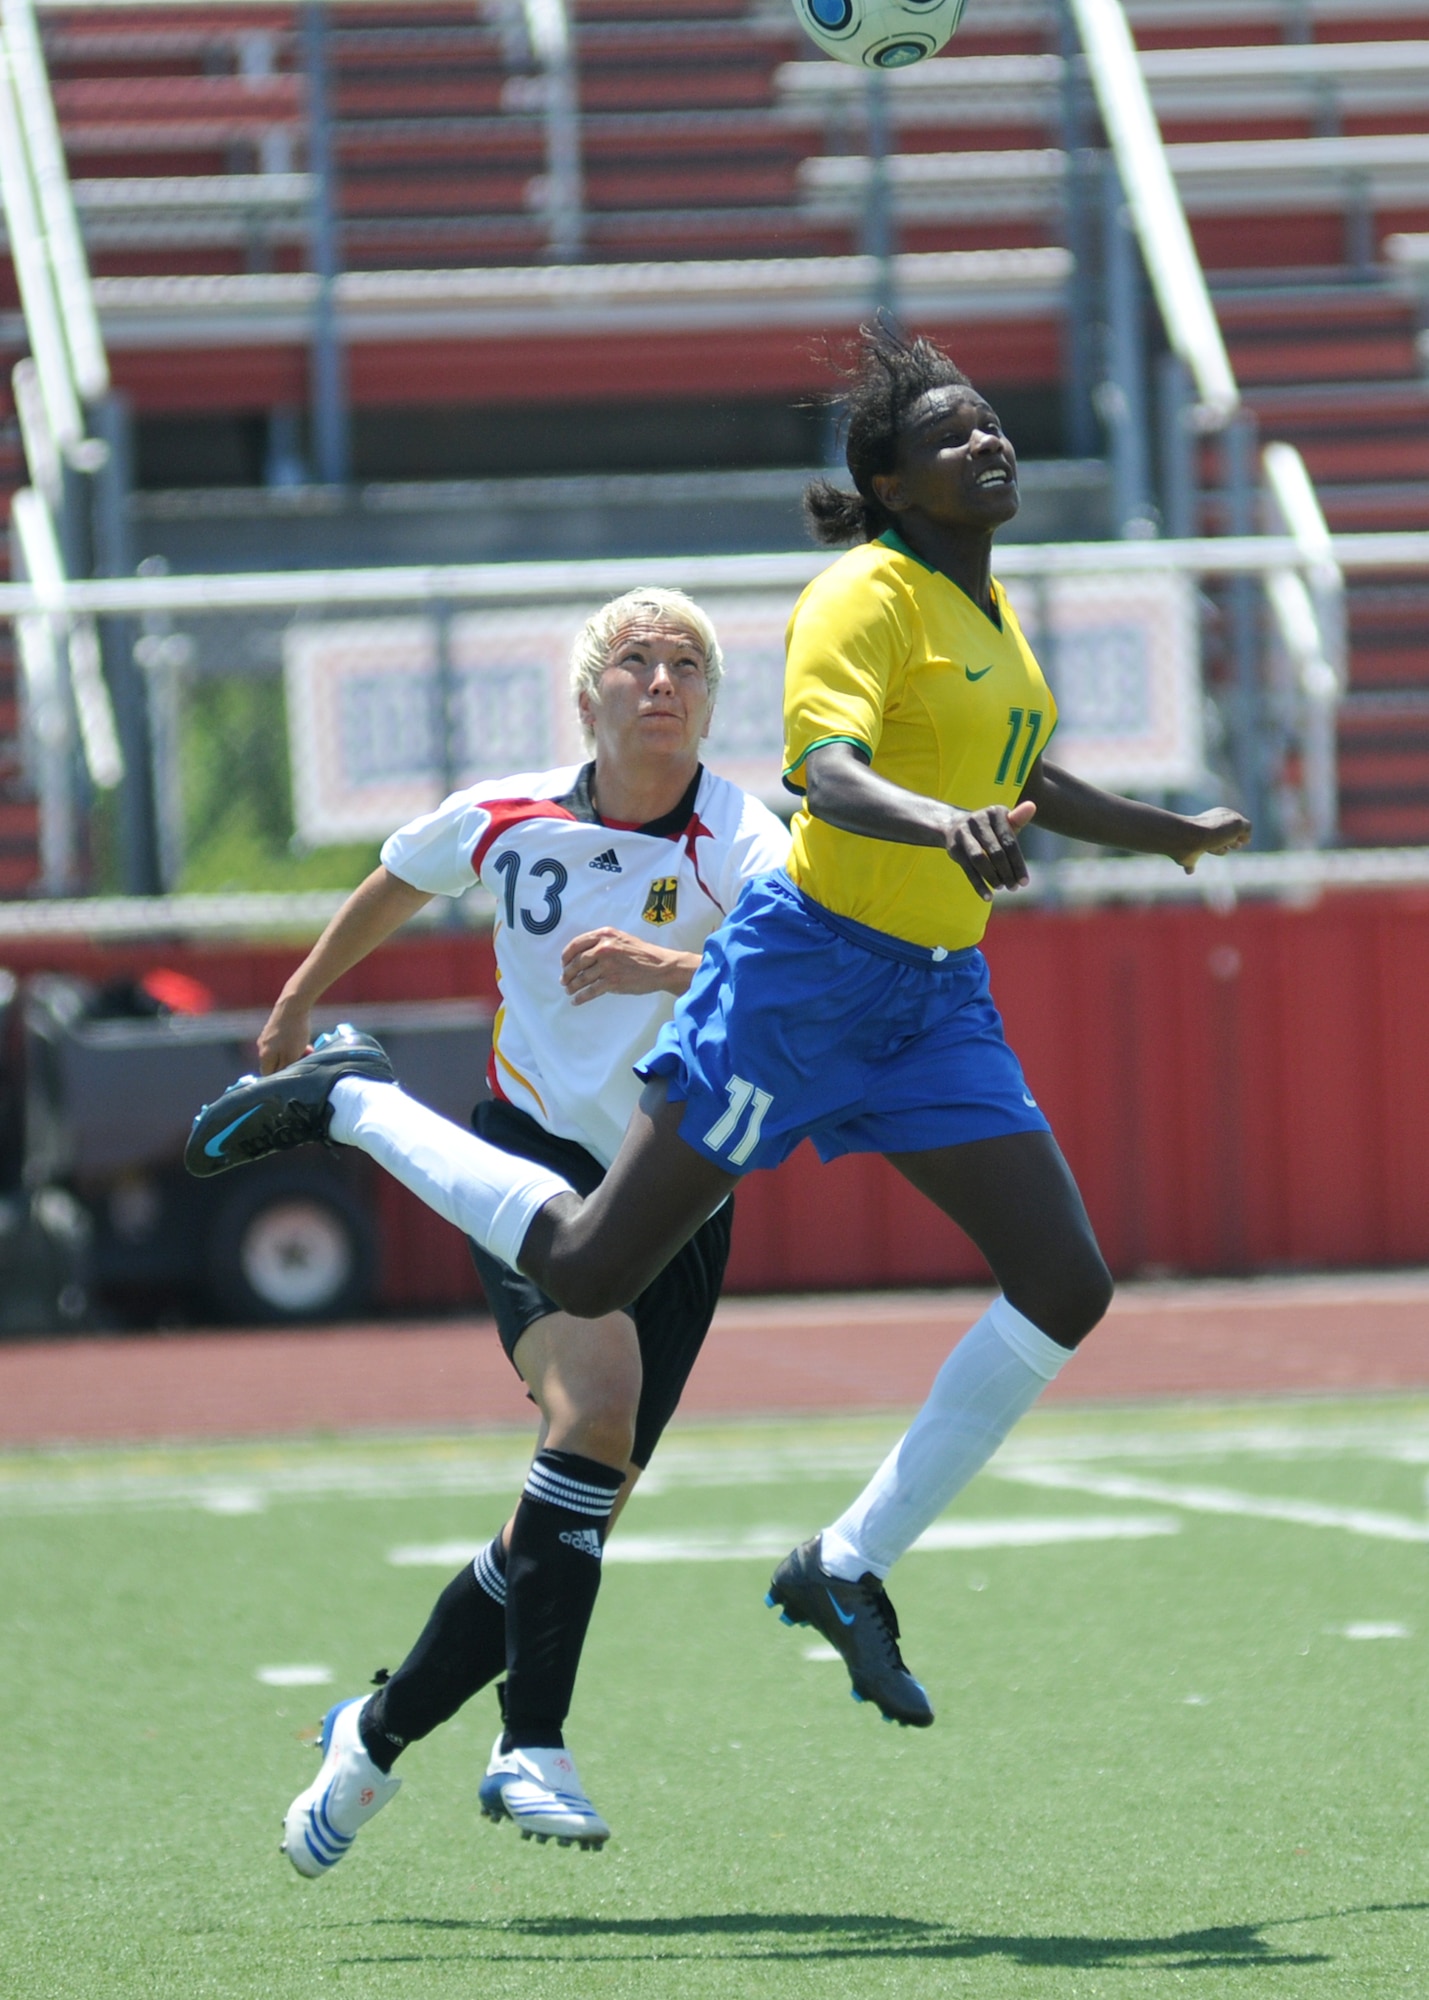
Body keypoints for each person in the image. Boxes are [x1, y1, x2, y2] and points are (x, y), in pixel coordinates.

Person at [191, 323, 1249, 1752]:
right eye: (948, 434)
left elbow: (1017, 772)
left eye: (991, 421)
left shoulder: (987, 623)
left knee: (1065, 1283)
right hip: (804, 975)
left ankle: (846, 1565)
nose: (987, 441)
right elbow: (829, 774)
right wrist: (948, 827)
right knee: (584, 1264)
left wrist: (1164, 832)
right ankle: (359, 1102)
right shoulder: (859, 595)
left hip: (935, 996)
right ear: (885, 478)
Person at [189, 587, 788, 1868]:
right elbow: (400, 874)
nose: (663, 681)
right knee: (596, 1400)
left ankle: (377, 1734)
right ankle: (533, 1741)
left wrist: (663, 967)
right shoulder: (510, 811)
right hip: (524, 1150)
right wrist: (296, 1000)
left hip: (676, 1183)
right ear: (588, 694)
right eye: (635, 661)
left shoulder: (742, 830)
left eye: (688, 662)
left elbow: (799, 962)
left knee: (564, 1524)